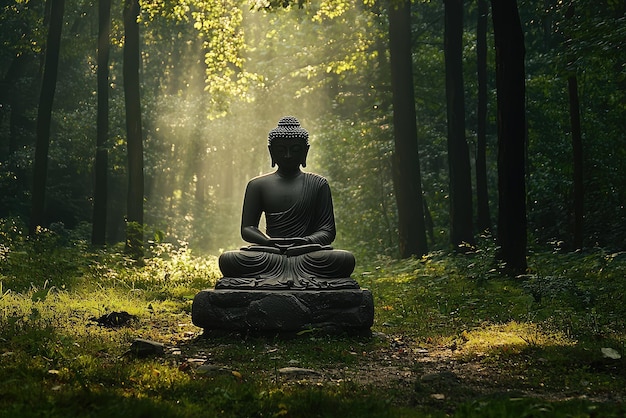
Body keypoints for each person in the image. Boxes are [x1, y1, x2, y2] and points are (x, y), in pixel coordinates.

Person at [217, 116, 357, 290]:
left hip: (306, 253)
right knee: (229, 260)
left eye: (295, 149)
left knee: (344, 259)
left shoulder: (318, 184)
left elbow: (327, 231)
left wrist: (304, 242)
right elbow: (247, 228)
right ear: (271, 151)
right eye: (281, 149)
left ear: (305, 151)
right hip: (271, 253)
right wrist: (268, 242)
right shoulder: (257, 185)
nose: (288, 155)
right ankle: (295, 277)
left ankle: (274, 279)